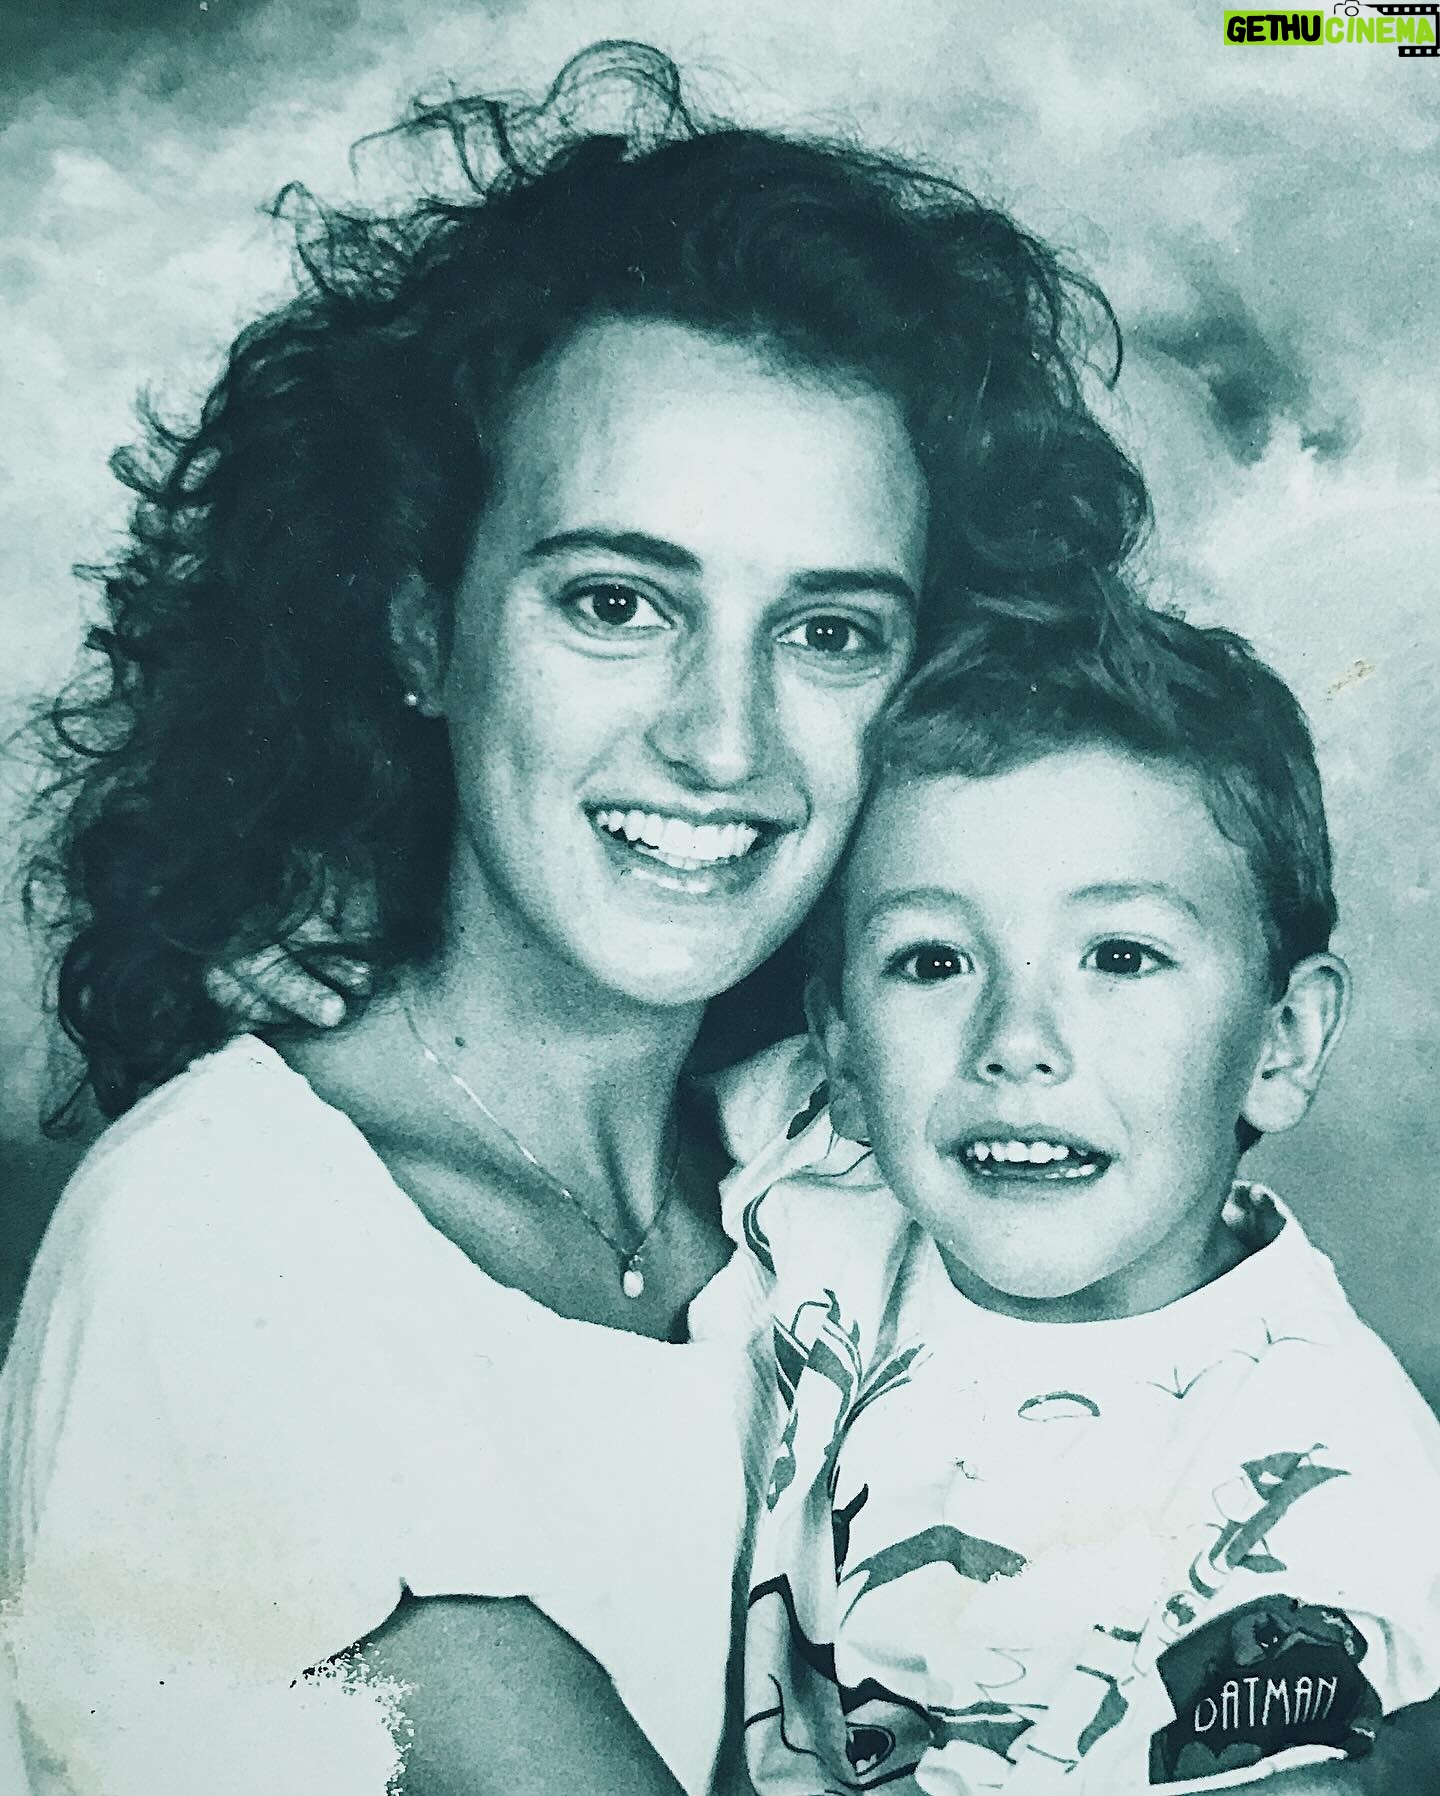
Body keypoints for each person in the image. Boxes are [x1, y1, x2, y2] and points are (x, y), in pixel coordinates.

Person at [1, 36, 1433, 1796]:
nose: (723, 740)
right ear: (418, 627)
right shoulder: (217, 1241)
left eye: (828, 632)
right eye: (617, 602)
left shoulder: (836, 1168)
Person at [703, 590, 1440, 1791]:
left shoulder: (1320, 1481)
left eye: (1121, 956)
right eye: (934, 960)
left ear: (1284, 1040)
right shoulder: (818, 1174)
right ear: (841, 1048)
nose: (1016, 1041)